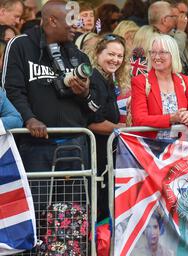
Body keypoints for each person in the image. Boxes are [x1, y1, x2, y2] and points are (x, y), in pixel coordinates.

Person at [3, 0, 97, 173]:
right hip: (35, 145)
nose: (75, 26)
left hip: (75, 145)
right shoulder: (20, 45)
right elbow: (12, 90)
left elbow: (95, 106)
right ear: (53, 21)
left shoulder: (79, 56)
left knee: (75, 201)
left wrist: (85, 94)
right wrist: (29, 118)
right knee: (37, 200)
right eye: (70, 20)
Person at [130, 34, 188, 139]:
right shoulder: (140, 81)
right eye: (153, 52)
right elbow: (139, 119)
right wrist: (171, 118)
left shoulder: (184, 81)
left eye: (162, 52)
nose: (156, 57)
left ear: (173, 54)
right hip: (150, 148)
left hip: (180, 148)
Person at [86, 33, 129, 220]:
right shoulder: (94, 80)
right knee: (99, 205)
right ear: (98, 54)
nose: (115, 60)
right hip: (96, 156)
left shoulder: (107, 79)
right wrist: (121, 128)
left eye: (119, 56)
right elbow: (92, 122)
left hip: (106, 155)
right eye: (111, 54)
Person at [148, 1, 188, 75]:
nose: (184, 18)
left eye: (186, 14)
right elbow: (172, 59)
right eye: (181, 13)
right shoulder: (150, 38)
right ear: (165, 20)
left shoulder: (177, 35)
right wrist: (180, 31)